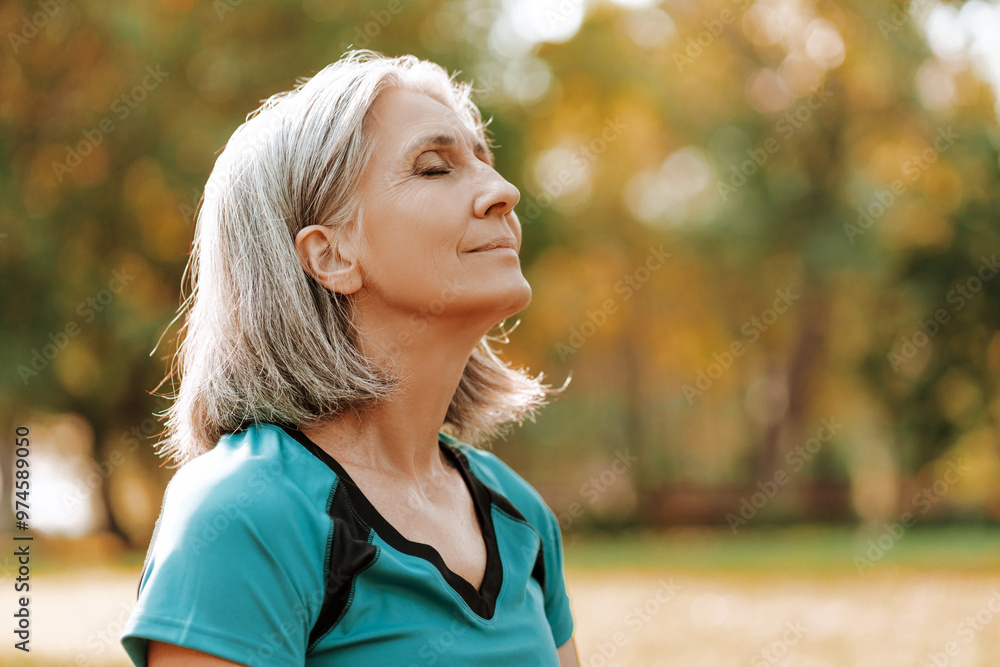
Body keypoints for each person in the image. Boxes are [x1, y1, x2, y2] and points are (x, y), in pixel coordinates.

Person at [119, 50, 579, 666]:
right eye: (435, 167)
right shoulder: (243, 512)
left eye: (485, 161)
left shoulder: (519, 512)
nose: (504, 192)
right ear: (331, 255)